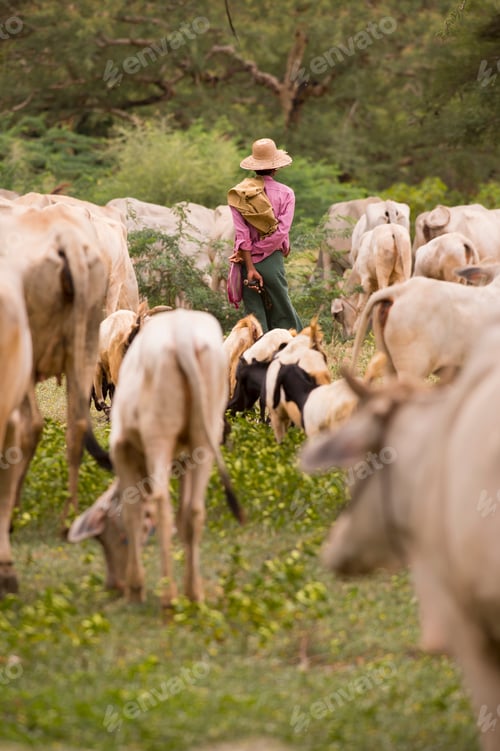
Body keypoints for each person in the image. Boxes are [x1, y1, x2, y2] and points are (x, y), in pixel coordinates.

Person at [227, 137, 303, 333]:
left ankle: (256, 358)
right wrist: (261, 252)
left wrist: (250, 260)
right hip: (272, 260)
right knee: (283, 310)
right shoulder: (286, 193)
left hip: (246, 261)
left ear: (254, 166)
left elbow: (242, 235)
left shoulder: (239, 194)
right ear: (276, 168)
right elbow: (281, 232)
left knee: (255, 317)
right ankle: (297, 351)